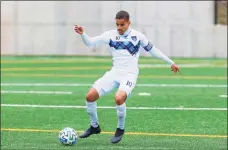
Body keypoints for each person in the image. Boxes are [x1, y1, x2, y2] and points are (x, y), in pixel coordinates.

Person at [74, 10, 180, 144]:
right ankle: (94, 126)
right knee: (89, 96)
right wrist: (83, 34)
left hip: (130, 74)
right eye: (117, 24)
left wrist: (171, 62)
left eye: (122, 25)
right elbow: (90, 42)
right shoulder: (110, 35)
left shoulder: (138, 36)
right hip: (114, 72)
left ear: (128, 23)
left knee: (119, 98)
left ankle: (120, 129)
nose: (119, 28)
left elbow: (154, 51)